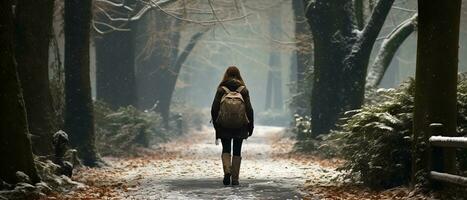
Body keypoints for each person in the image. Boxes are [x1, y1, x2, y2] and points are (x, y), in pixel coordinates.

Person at [211, 66, 254, 186]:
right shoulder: (243, 90)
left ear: (226, 74)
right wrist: (251, 126)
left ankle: (227, 172)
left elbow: (214, 109)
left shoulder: (221, 89)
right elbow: (249, 110)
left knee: (226, 149)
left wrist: (216, 125)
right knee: (237, 151)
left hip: (224, 125)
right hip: (240, 125)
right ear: (239, 75)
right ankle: (235, 179)